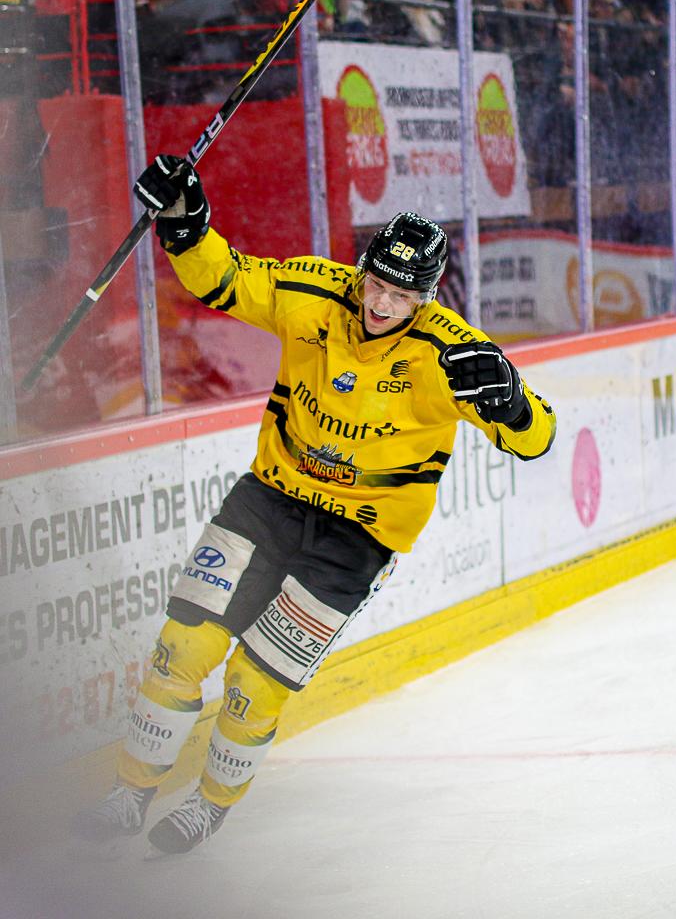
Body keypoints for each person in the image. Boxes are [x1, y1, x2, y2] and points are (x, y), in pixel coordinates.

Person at [72, 155, 557, 854]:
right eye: (376, 283)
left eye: (401, 295)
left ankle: (210, 804)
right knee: (182, 646)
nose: (381, 303)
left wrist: (510, 400)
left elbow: (537, 439)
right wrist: (185, 224)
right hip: (267, 501)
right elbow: (224, 279)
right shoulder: (314, 292)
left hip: (355, 541)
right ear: (362, 269)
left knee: (253, 682)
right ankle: (130, 792)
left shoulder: (451, 355)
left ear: (427, 297)